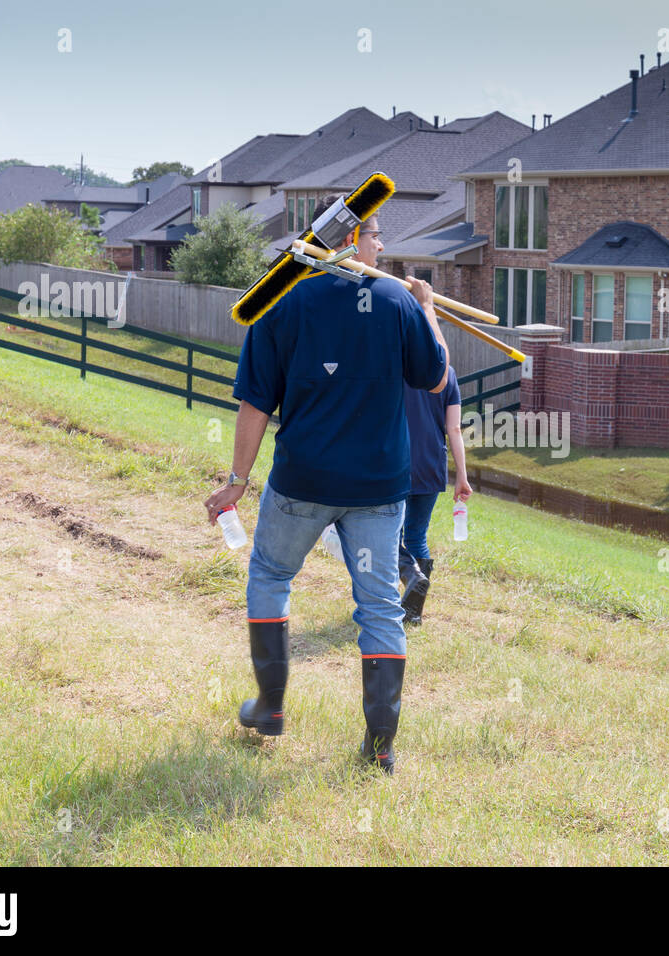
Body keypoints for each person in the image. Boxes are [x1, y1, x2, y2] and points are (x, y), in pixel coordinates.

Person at [204, 195, 448, 776]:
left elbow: (255, 404)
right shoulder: (395, 301)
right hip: (379, 488)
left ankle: (270, 709)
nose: (383, 247)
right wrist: (426, 309)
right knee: (380, 606)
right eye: (375, 236)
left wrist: (238, 481)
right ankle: (381, 748)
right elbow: (436, 376)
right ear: (345, 241)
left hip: (302, 481)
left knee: (270, 575)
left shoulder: (279, 301)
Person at [398, 365, 472, 624]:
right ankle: (413, 612)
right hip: (431, 466)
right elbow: (454, 429)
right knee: (417, 536)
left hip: (397, 464)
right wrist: (461, 475)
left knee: (388, 538)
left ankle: (408, 585)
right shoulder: (447, 373)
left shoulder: (398, 366)